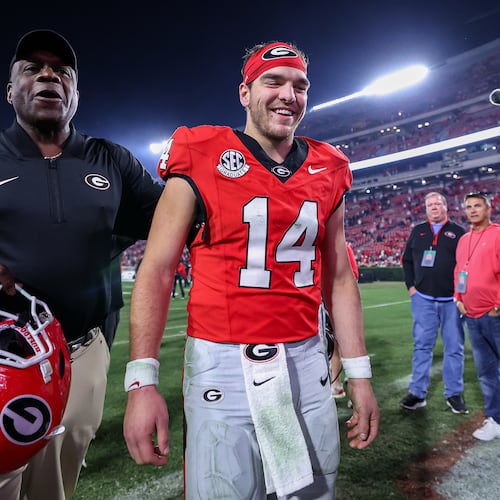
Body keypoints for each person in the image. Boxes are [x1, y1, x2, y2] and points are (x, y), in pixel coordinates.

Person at [123, 41, 379, 499]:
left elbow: (338, 277)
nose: (288, 94)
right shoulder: (200, 152)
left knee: (312, 494)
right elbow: (158, 270)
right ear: (245, 92)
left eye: (300, 85)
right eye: (273, 82)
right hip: (221, 365)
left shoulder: (330, 166)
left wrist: (359, 375)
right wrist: (142, 382)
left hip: (307, 360)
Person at [0, 29, 163, 499]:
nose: (49, 75)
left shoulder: (111, 159)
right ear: (10, 91)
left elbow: (172, 219)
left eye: (62, 71)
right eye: (32, 68)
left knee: (59, 476)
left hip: (83, 347)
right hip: (3, 350)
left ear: (74, 93)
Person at [401, 192, 467, 413]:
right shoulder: (418, 231)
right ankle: (418, 393)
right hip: (423, 300)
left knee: (454, 349)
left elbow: (466, 267)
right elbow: (407, 260)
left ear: (446, 206)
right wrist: (411, 287)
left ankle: (454, 394)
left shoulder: (458, 233)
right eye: (429, 204)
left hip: (451, 301)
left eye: (437, 204)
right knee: (422, 347)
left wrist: (462, 294)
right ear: (426, 208)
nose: (433, 207)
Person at [454, 192, 500, 440]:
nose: (472, 210)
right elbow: (459, 270)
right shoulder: (464, 240)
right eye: (468, 206)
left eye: (477, 206)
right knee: (486, 372)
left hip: (495, 315)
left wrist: (498, 304)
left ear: (488, 209)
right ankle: (495, 419)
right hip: (472, 316)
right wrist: (458, 298)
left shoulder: (497, 234)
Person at [330, 242, 359, 399]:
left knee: (346, 346)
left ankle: (353, 393)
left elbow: (353, 274)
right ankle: (336, 385)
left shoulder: (344, 248)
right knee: (332, 345)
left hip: (340, 304)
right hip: (323, 303)